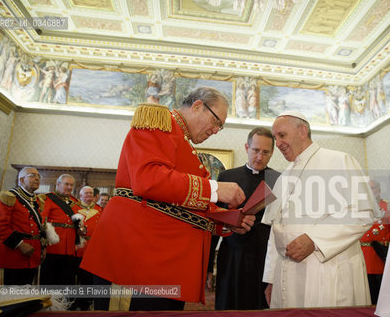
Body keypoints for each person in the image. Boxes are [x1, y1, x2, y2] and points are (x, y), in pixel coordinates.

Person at [81, 87, 254, 311]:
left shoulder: (182, 142)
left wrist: (229, 219)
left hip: (161, 264)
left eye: (220, 126)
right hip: (134, 257)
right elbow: (147, 179)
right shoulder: (158, 122)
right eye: (216, 121)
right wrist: (215, 189)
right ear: (198, 106)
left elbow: (178, 203)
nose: (216, 130)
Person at [261, 111, 381, 308]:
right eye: (275, 138)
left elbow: (362, 214)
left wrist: (314, 240)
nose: (278, 143)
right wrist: (270, 279)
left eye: (282, 135)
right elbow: (275, 233)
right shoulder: (282, 178)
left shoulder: (340, 161)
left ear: (302, 131)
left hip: (328, 271)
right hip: (286, 276)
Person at [212, 127, 281, 310]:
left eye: (265, 152)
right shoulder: (227, 177)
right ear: (246, 147)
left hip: (263, 258)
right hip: (232, 255)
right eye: (255, 150)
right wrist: (209, 267)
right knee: (229, 304)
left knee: (259, 307)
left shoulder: (279, 180)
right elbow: (215, 220)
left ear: (272, 153)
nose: (259, 157)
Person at [0, 167, 55, 285]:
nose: (37, 178)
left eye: (38, 176)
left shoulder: (37, 200)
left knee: (27, 295)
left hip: (33, 255)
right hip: (14, 254)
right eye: (32, 176)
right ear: (22, 180)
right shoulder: (10, 197)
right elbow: (1, 226)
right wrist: (20, 244)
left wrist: (43, 247)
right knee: (13, 296)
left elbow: (40, 226)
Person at [360, 180, 390, 304]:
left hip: (379, 258)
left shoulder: (388, 208)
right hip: (362, 259)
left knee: (381, 299)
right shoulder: (361, 209)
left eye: (372, 188)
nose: (370, 191)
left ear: (378, 190)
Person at [40, 174, 83, 287]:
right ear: (58, 184)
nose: (69, 187)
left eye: (71, 185)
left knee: (67, 279)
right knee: (50, 279)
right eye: (66, 184)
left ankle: (65, 304)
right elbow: (42, 222)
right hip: (53, 246)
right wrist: (43, 245)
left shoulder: (75, 202)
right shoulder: (48, 198)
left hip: (69, 247)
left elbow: (77, 222)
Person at [70, 186, 103, 311]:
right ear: (81, 195)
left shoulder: (100, 209)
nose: (89, 195)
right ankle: (73, 301)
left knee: (88, 278)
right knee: (74, 276)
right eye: (86, 193)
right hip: (76, 247)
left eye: (91, 193)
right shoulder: (74, 208)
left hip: (93, 248)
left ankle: (85, 302)